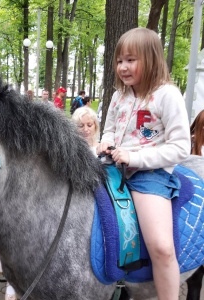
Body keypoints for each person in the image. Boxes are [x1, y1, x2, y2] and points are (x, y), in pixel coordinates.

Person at [97, 27, 190, 300]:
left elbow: (181, 147)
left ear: (150, 59)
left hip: (150, 174)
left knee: (161, 246)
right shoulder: (119, 96)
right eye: (119, 61)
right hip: (113, 167)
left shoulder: (167, 95)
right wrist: (106, 141)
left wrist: (135, 157)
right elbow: (109, 129)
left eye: (130, 60)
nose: (123, 67)